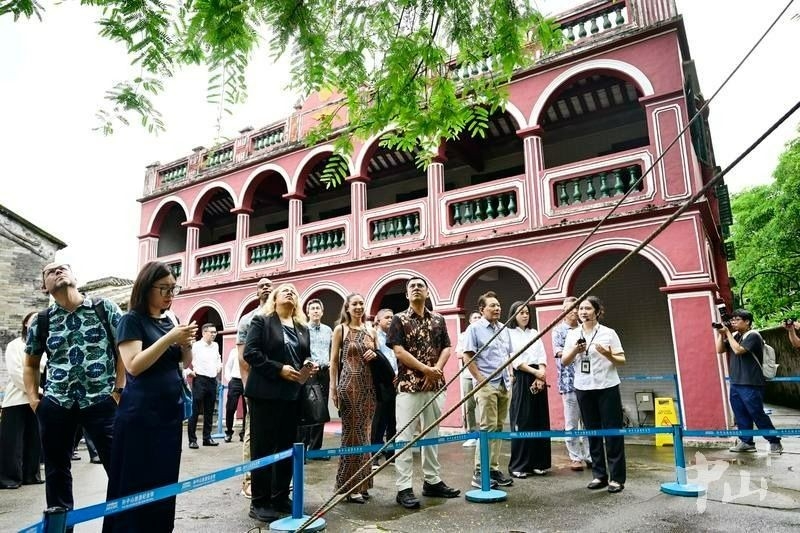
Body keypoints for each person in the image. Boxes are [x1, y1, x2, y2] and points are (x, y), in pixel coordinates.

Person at [24, 263, 125, 522]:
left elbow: (123, 349)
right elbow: (31, 363)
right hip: (57, 403)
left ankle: (122, 525)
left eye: (63, 268)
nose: (58, 272)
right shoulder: (42, 321)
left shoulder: (105, 308)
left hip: (102, 400)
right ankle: (60, 528)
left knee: (119, 466)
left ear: (75, 277)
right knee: (57, 472)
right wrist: (35, 400)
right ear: (43, 285)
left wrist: (118, 391)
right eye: (50, 271)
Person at [103, 261, 197, 532]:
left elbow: (184, 362)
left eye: (173, 288)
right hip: (140, 416)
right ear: (146, 288)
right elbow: (134, 365)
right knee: (135, 482)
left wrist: (185, 344)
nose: (170, 294)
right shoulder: (131, 320)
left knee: (164, 482)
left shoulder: (171, 320)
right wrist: (170, 338)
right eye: (164, 288)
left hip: (169, 413)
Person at [244, 283, 317, 523]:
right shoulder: (262, 321)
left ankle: (280, 496)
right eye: (284, 290)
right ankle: (260, 501)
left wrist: (309, 365)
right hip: (265, 394)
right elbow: (251, 353)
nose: (290, 292)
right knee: (263, 448)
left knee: (287, 447)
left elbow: (303, 354)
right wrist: (279, 370)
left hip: (293, 395)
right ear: (274, 299)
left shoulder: (302, 327)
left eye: (294, 291)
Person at [387, 277, 460, 509]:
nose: (416, 288)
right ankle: (404, 488)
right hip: (409, 386)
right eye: (412, 287)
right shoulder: (399, 319)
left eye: (420, 285)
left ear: (428, 292)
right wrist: (426, 370)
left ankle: (432, 481)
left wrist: (436, 369)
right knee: (405, 437)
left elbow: (447, 347)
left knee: (432, 435)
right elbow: (398, 351)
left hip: (436, 386)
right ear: (407, 295)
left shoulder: (439, 319)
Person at [561, 296, 626, 493]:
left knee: (612, 432)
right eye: (580, 309)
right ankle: (599, 475)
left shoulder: (608, 333)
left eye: (588, 308)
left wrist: (607, 354)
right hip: (583, 387)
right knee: (592, 433)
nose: (583, 312)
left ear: (597, 312)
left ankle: (617, 478)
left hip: (607, 386)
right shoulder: (573, 334)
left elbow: (622, 360)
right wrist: (575, 350)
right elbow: (564, 361)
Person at [462, 291, 514, 489]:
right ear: (482, 309)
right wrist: (481, 380)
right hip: (486, 385)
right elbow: (468, 357)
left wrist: (510, 376)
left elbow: (507, 355)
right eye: (492, 305)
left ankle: (493, 468)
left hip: (503, 384)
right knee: (487, 428)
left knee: (499, 428)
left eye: (498, 305)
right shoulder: (474, 329)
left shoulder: (503, 329)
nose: (497, 308)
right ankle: (479, 471)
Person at [330, 294, 378, 503]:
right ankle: (350, 486)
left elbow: (378, 360)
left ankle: (364, 482)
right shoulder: (341, 329)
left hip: (369, 387)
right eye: (354, 304)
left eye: (361, 303)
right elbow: (333, 361)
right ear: (347, 308)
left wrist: (375, 355)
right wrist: (333, 388)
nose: (359, 307)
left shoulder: (371, 331)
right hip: (349, 385)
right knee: (351, 435)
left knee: (365, 433)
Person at [715, 309, 783, 455]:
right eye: (732, 320)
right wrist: (721, 334)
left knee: (756, 413)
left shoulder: (753, 336)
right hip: (736, 382)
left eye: (737, 319)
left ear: (747, 322)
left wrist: (727, 333)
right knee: (740, 414)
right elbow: (719, 350)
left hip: (751, 382)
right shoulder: (735, 335)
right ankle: (746, 442)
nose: (733, 322)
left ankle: (774, 441)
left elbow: (739, 350)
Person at [236, 277, 272, 498]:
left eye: (269, 284)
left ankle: (274, 481)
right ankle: (249, 480)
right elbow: (242, 359)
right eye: (261, 285)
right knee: (253, 432)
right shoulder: (247, 320)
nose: (266, 287)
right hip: (256, 385)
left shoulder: (282, 317)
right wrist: (248, 388)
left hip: (279, 385)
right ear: (256, 292)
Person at [507, 300, 551, 478]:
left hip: (539, 376)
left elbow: (542, 356)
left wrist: (542, 374)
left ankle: (539, 463)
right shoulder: (508, 334)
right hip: (523, 376)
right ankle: (519, 465)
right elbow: (514, 359)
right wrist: (535, 373)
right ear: (513, 315)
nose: (525, 315)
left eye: (527, 312)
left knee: (539, 419)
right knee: (523, 420)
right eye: (521, 312)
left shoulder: (535, 333)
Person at [0, 312, 44, 489]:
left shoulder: (43, 345)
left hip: (38, 399)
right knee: (13, 442)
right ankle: (9, 478)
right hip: (17, 399)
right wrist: (39, 391)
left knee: (34, 439)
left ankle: (31, 475)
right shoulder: (14, 345)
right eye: (32, 320)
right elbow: (17, 374)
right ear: (25, 324)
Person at [552, 296, 591, 471]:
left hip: (588, 381)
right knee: (571, 421)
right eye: (570, 308)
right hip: (569, 382)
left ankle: (590, 455)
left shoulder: (586, 329)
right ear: (564, 311)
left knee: (589, 420)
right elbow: (558, 352)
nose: (575, 311)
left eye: (576, 307)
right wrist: (575, 349)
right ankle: (575, 457)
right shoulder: (559, 331)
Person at [300, 298, 333, 457]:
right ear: (308, 312)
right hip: (308, 370)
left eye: (317, 308)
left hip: (324, 371)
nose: (315, 311)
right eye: (312, 308)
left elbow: (332, 351)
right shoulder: (303, 328)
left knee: (321, 409)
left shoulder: (328, 330)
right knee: (308, 409)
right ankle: (303, 449)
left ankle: (315, 450)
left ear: (322, 311)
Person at [186, 323, 222, 448]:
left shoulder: (216, 345)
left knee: (209, 411)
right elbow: (184, 361)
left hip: (212, 380)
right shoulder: (195, 346)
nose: (214, 334)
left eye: (215, 332)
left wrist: (218, 368)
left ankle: (207, 438)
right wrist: (188, 372)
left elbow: (218, 359)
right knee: (195, 411)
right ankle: (192, 440)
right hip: (199, 379)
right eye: (211, 332)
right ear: (204, 332)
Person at [371, 308, 398, 468]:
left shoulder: (395, 336)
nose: (390, 319)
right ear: (378, 320)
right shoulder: (373, 336)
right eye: (387, 317)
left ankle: (392, 454)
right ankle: (374, 455)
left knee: (394, 420)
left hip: (396, 381)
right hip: (380, 382)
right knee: (379, 421)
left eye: (392, 317)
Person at [456, 311, 481, 448]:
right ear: (470, 321)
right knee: (469, 405)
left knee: (484, 403)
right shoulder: (464, 336)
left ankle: (484, 433)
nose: (477, 319)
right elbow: (459, 354)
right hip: (467, 374)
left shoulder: (485, 333)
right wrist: (469, 353)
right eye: (475, 317)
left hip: (483, 373)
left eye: (479, 317)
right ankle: (471, 433)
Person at [223, 346, 246, 443]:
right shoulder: (234, 351)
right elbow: (228, 366)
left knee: (247, 410)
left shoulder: (250, 349)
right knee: (230, 408)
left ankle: (244, 433)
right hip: (235, 381)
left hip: (247, 381)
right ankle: (228, 432)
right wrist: (229, 380)